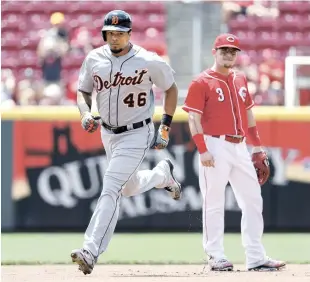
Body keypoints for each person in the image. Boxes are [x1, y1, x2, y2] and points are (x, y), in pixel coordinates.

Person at [71, 10, 182, 275]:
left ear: (129, 34)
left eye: (120, 33)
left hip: (137, 132)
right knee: (128, 188)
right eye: (111, 32)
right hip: (108, 133)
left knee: (111, 186)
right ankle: (161, 175)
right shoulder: (94, 58)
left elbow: (171, 88)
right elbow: (83, 91)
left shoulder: (147, 60)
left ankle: (90, 249)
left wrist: (164, 127)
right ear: (105, 34)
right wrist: (85, 113)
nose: (115, 37)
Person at [182, 33, 286, 272]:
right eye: (224, 50)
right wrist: (203, 149)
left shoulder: (239, 79)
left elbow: (249, 114)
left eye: (233, 51)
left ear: (237, 54)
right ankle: (215, 255)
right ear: (214, 51)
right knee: (214, 203)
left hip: (239, 146)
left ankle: (256, 257)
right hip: (214, 144)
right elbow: (193, 118)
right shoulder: (201, 81)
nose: (228, 54)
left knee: (253, 200)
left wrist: (257, 146)